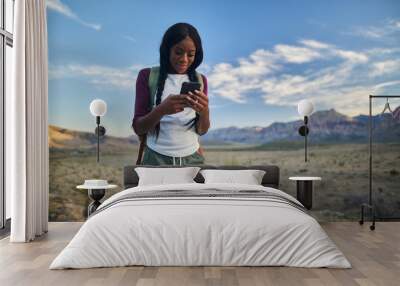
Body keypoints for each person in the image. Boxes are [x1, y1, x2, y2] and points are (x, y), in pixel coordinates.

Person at [132, 23, 210, 166]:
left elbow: (201, 131)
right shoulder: (148, 76)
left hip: (193, 160)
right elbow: (138, 127)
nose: (184, 59)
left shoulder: (200, 80)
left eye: (191, 54)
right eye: (178, 52)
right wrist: (161, 110)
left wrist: (205, 111)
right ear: (167, 50)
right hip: (156, 160)